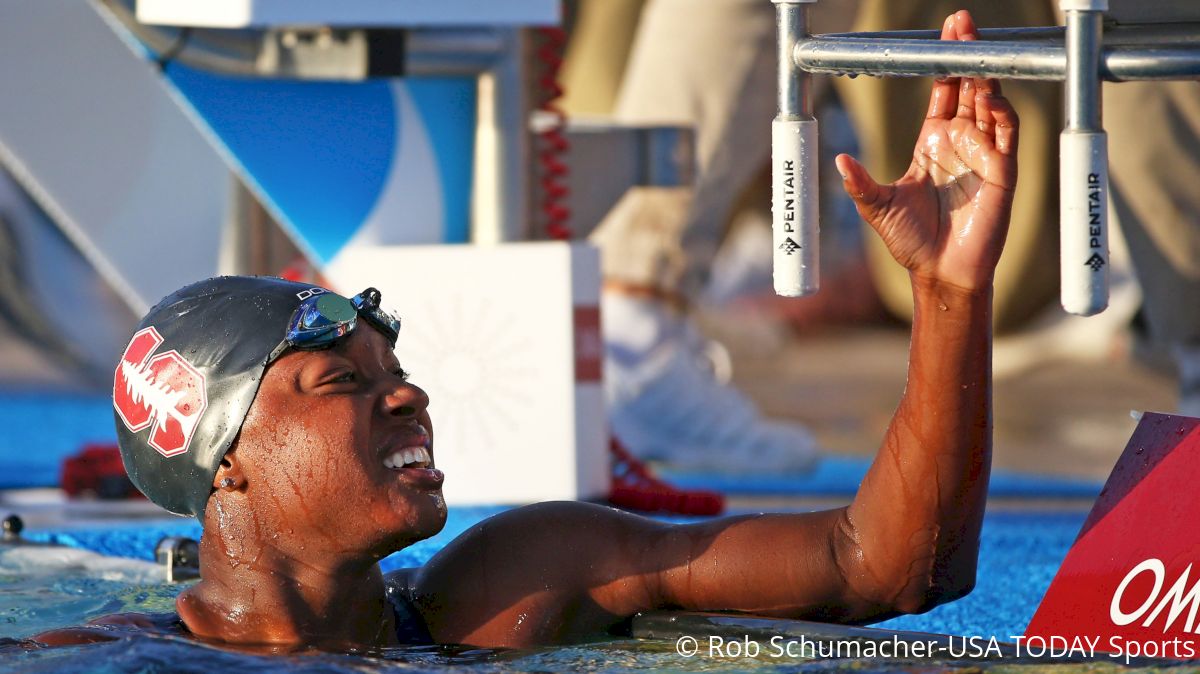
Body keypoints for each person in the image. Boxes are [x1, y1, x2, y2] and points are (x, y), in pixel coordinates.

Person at [36, 12, 1015, 652]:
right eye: (342, 381)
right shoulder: (101, 656)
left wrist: (947, 292)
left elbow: (880, 564)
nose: (410, 393)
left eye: (398, 370)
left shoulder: (507, 587)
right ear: (227, 460)